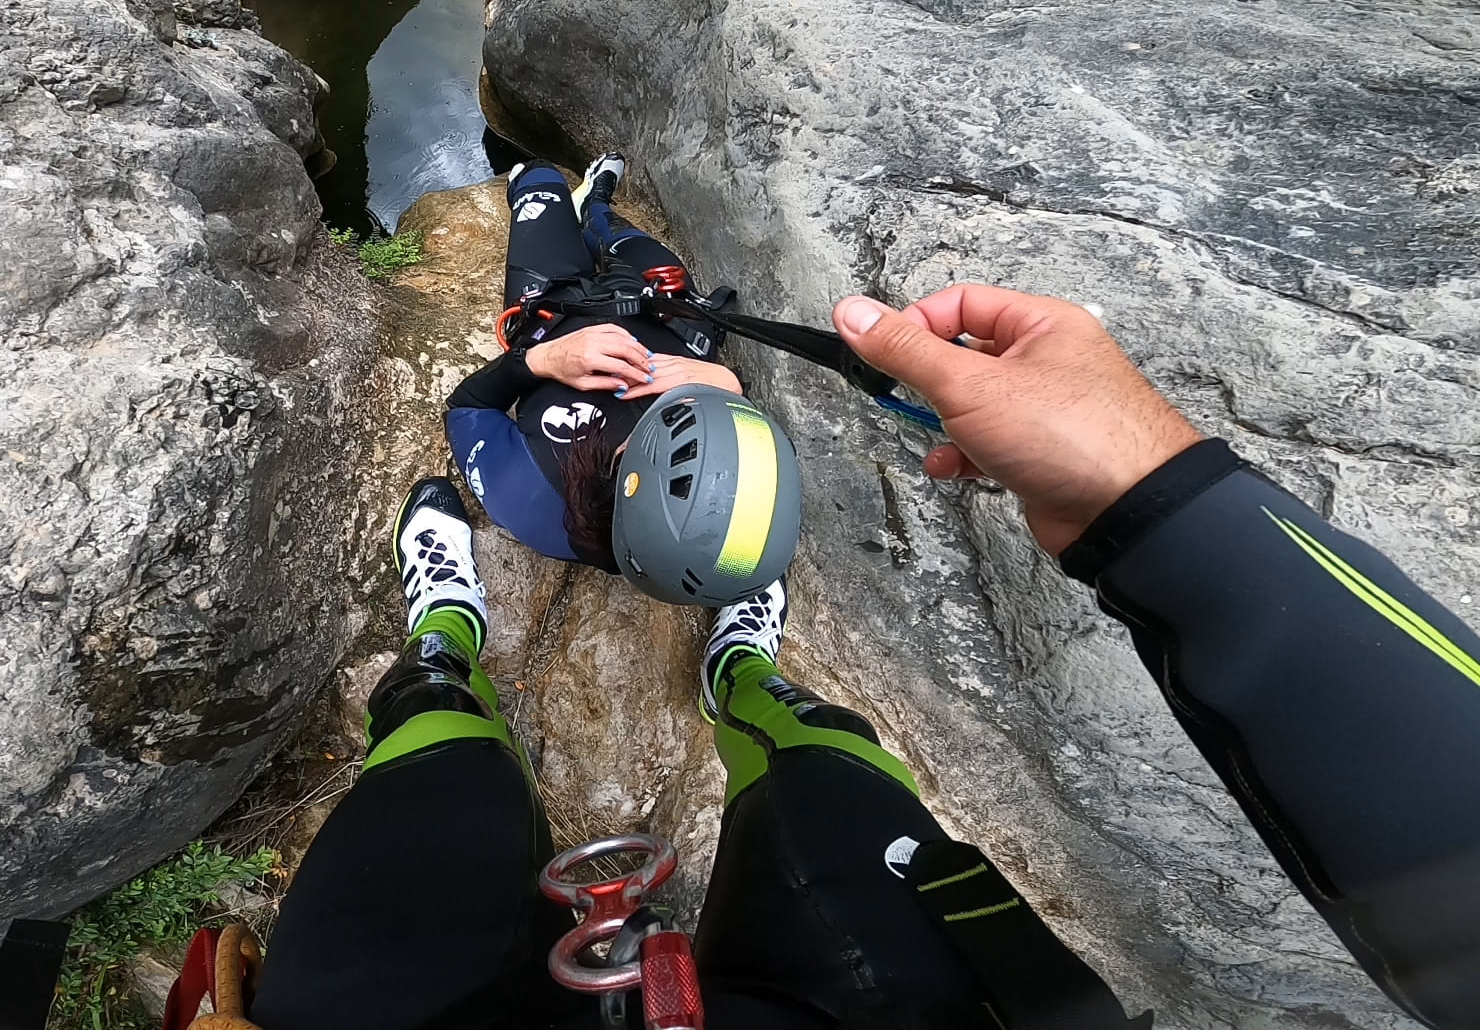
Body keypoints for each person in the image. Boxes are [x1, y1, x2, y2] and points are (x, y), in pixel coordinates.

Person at [249, 285, 1480, 1030]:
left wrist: (1161, 506)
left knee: (427, 793)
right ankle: (741, 680)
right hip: (889, 1008)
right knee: (837, 780)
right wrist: (1146, 497)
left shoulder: (534, 482)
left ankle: (446, 651)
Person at [445, 156, 799, 606]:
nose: (687, 405)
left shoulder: (536, 500)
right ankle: (596, 201)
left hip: (552, 305)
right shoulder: (748, 488)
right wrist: (727, 384)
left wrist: (539, 361)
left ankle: (575, 198)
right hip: (663, 309)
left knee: (538, 176)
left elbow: (466, 408)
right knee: (619, 236)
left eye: (675, 420)